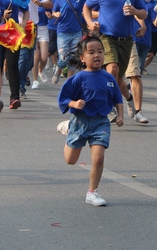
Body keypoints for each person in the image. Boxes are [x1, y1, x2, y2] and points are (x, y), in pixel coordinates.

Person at [57, 36, 124, 206]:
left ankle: (92, 192)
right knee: (70, 160)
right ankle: (68, 126)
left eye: (100, 52)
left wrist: (121, 115)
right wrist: (74, 103)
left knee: (99, 157)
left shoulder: (109, 78)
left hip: (101, 122)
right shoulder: (78, 78)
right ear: (82, 58)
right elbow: (63, 98)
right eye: (92, 52)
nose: (97, 55)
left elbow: (118, 98)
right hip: (80, 121)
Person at [83, 0, 147, 119]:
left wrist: (135, 11)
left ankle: (129, 99)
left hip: (126, 40)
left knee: (118, 79)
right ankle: (109, 104)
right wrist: (90, 23)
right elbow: (86, 7)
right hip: (106, 37)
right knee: (112, 69)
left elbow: (144, 13)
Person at [15, 0, 53, 95]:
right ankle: (20, 85)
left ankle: (23, 74)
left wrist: (41, 3)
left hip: (30, 27)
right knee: (20, 58)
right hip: (14, 27)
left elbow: (49, 3)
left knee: (28, 58)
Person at [0, 0, 30, 109]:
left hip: (12, 33)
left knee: (12, 65)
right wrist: (1, 16)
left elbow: (26, 11)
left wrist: (22, 26)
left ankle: (14, 98)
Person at [51, 0, 92, 84]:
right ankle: (58, 70)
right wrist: (55, 15)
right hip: (63, 32)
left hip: (76, 31)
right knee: (63, 58)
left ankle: (69, 82)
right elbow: (52, 12)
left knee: (74, 58)